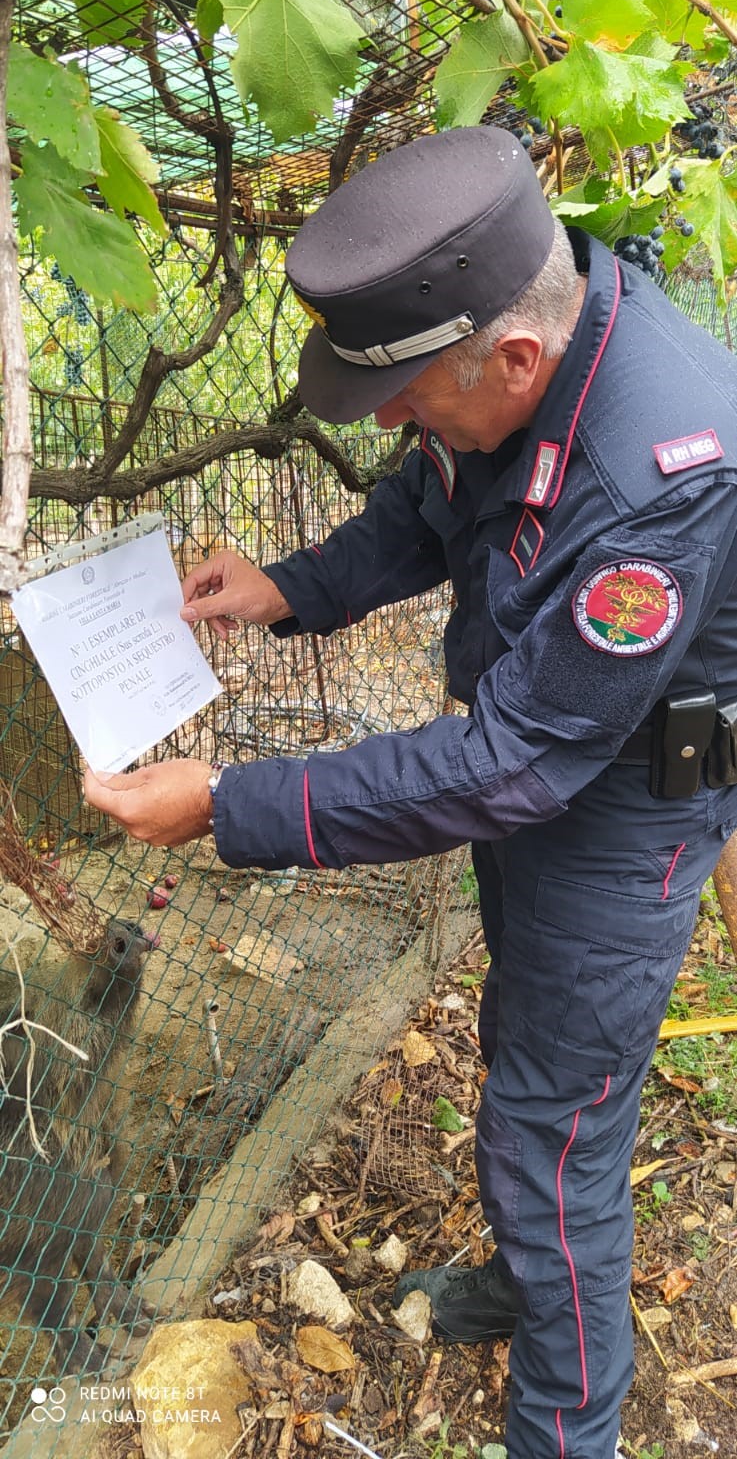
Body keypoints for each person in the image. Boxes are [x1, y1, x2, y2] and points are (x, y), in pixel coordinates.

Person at [85, 126, 737, 1459]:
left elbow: (509, 760)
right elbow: (430, 496)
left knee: (553, 1135)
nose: (388, 419)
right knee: (528, 1053)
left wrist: (225, 802)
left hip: (621, 812)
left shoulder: (661, 477)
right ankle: (520, 1280)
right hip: (547, 765)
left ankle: (568, 1433)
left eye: (406, 394)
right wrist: (293, 588)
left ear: (510, 357)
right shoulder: (521, 346)